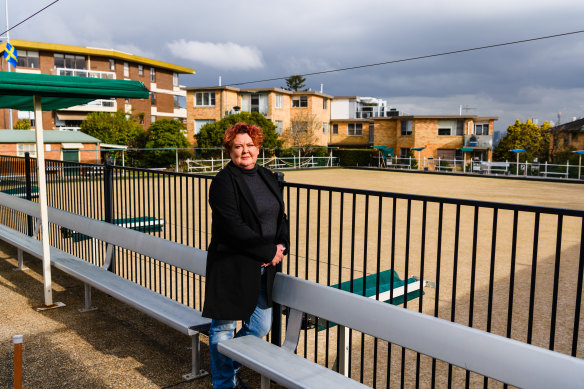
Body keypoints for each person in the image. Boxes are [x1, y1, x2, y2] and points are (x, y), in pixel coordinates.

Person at [202, 122, 289, 389]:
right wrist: (266, 251)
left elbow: (280, 216)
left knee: (261, 326)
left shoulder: (267, 176)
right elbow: (232, 225)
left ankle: (229, 367)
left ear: (258, 147)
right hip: (232, 266)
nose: (245, 151)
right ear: (229, 150)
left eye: (250, 145)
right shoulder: (223, 182)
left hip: (263, 268)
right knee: (223, 328)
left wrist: (281, 246)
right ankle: (224, 384)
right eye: (238, 146)